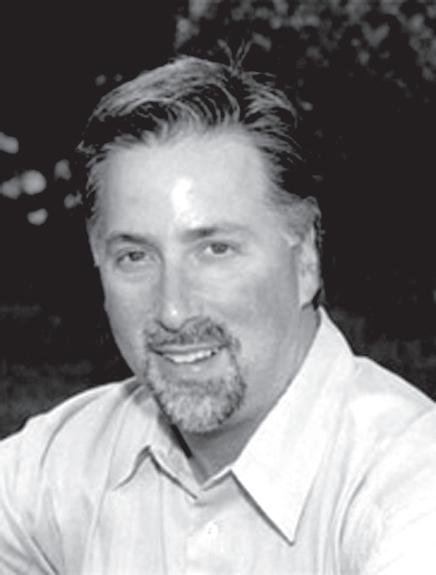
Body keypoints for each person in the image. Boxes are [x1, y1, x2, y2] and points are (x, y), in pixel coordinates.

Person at [1, 56, 436, 575]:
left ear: (305, 260)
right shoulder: (67, 464)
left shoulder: (408, 485)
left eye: (216, 249)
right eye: (135, 256)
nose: (173, 310)